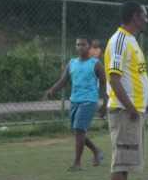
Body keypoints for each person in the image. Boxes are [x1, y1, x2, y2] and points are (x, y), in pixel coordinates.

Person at [105, 1, 148, 180]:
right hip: (125, 111)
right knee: (120, 160)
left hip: (132, 111)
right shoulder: (120, 40)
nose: (147, 19)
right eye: (144, 15)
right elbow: (113, 78)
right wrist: (130, 107)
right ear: (134, 16)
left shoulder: (131, 40)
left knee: (126, 159)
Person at [45, 36, 106, 170]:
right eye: (78, 45)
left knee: (79, 129)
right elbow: (63, 80)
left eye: (83, 45)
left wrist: (105, 103)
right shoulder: (72, 63)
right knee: (78, 132)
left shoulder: (96, 64)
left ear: (89, 47)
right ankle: (96, 151)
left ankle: (77, 163)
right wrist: (52, 90)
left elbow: (104, 84)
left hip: (89, 101)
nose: (80, 47)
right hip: (75, 101)